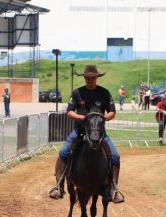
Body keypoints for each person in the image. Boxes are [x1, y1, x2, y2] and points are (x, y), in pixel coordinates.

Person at [49, 65, 124, 203]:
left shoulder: (104, 93)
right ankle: (59, 186)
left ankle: (113, 188)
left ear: (97, 78)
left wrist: (104, 118)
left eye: (93, 78)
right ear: (84, 78)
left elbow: (112, 111)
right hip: (80, 132)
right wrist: (81, 118)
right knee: (64, 152)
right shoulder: (77, 93)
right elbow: (69, 112)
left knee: (115, 156)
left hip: (99, 134)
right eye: (88, 78)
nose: (90, 80)